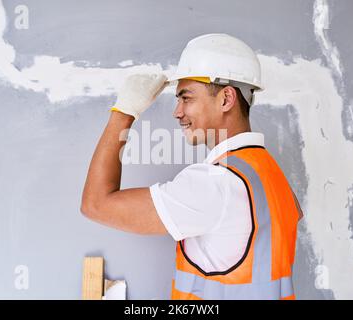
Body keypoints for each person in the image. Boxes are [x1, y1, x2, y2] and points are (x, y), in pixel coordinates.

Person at [81, 33, 303, 300]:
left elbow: (95, 204)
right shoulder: (270, 174)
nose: (177, 111)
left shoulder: (216, 183)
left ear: (226, 99)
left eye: (186, 98)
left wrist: (124, 112)